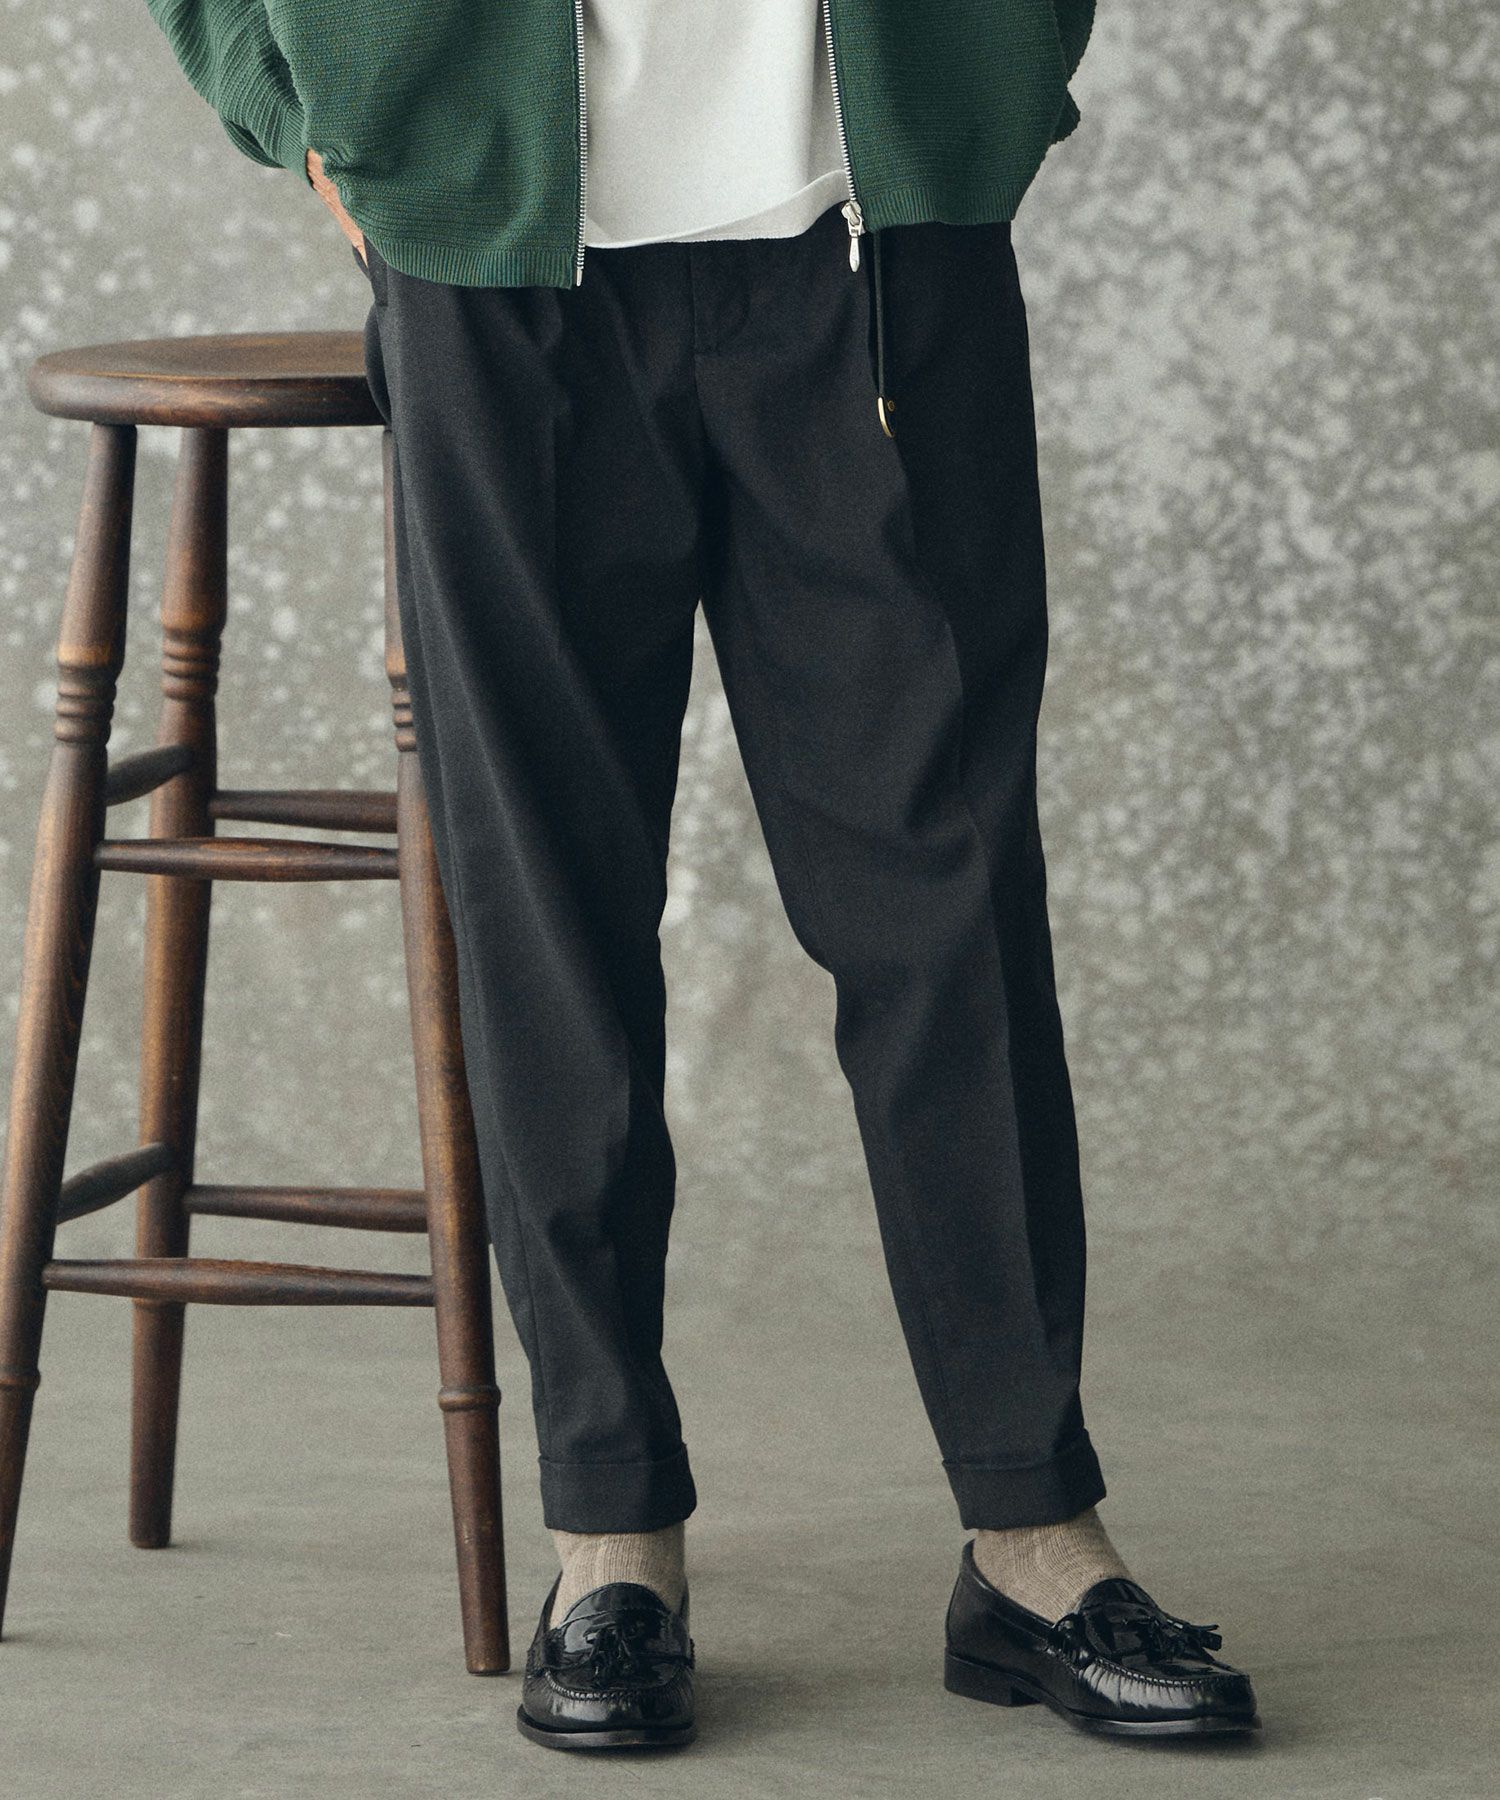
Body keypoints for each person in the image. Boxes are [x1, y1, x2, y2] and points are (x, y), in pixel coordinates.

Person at [145, 0, 1260, 1751]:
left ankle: (1036, 1531)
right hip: (498, 259)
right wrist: (291, 103)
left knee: (949, 905)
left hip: (872, 240)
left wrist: (1002, 75)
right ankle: (611, 1541)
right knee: (551, 913)